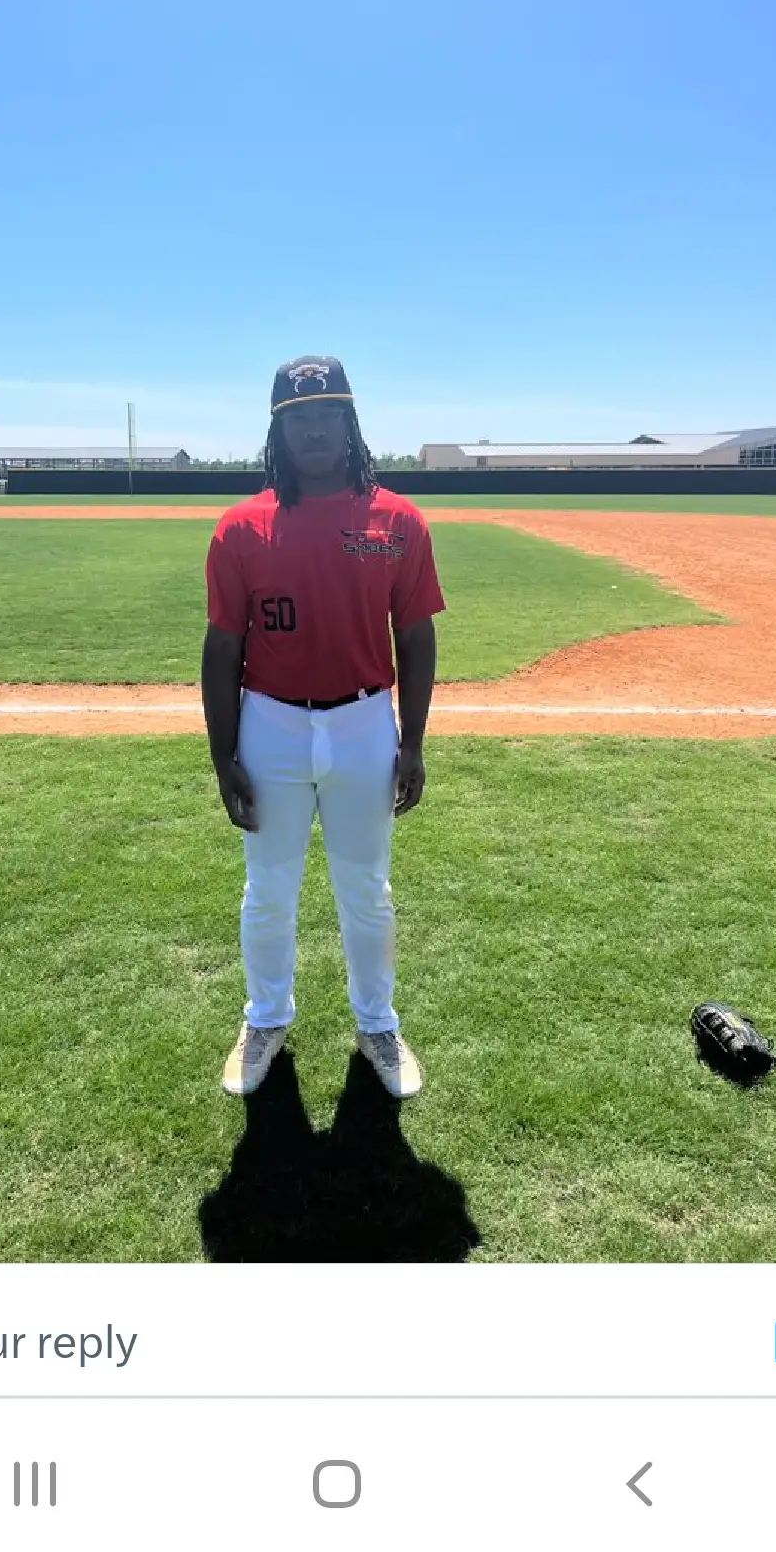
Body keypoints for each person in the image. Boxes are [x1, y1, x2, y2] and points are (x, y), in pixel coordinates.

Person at [201, 356, 446, 1101]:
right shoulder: (241, 527)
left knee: (366, 890)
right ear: (279, 429)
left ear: (350, 423)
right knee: (268, 890)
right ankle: (265, 1019)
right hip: (270, 724)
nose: (315, 429)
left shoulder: (397, 520)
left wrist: (413, 741)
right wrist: (222, 756)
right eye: (299, 417)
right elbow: (223, 648)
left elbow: (416, 636)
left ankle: (378, 1024)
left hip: (365, 723)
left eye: (328, 414)